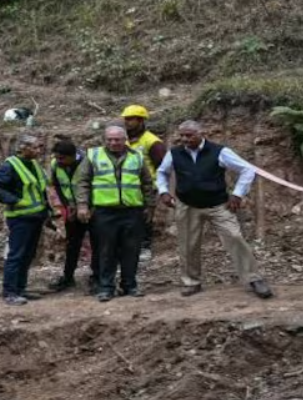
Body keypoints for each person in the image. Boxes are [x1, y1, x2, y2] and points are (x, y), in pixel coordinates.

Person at [156, 120, 273, 299]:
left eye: (189, 135)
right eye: (182, 136)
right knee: (188, 244)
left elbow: (247, 170)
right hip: (187, 205)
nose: (185, 139)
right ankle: (191, 282)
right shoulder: (174, 153)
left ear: (202, 133)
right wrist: (163, 191)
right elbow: (162, 172)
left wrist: (237, 194)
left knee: (234, 236)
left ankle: (254, 278)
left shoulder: (220, 151)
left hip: (218, 205)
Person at [74, 125, 156, 302]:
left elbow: (147, 183)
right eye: (110, 139)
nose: (113, 142)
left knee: (131, 250)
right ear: (105, 140)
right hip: (104, 212)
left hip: (132, 211)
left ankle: (130, 285)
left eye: (117, 139)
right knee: (105, 251)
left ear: (124, 139)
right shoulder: (93, 155)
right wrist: (82, 205)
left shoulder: (137, 156)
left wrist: (150, 206)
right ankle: (106, 287)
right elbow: (83, 182)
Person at [0, 134, 51, 306]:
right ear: (23, 148)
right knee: (16, 255)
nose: (39, 150)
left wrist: (48, 211)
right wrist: (15, 200)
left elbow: (40, 189)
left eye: (39, 146)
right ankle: (10, 292)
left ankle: (21, 288)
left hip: (36, 216)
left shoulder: (34, 164)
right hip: (20, 218)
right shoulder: (10, 166)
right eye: (35, 147)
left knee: (28, 255)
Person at [46, 139, 99, 293]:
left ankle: (97, 278)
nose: (58, 161)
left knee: (98, 244)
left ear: (72, 155)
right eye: (56, 157)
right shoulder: (57, 165)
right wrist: (68, 206)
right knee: (72, 245)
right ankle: (68, 277)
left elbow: (95, 186)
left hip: (92, 209)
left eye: (62, 158)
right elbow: (57, 185)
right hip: (73, 210)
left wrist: (90, 207)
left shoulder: (88, 163)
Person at [122, 104, 167, 262]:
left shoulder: (153, 142)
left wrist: (161, 188)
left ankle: (145, 247)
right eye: (125, 119)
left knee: (144, 218)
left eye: (130, 119)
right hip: (127, 187)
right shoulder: (124, 141)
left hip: (146, 188)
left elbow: (162, 167)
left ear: (140, 120)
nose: (127, 122)